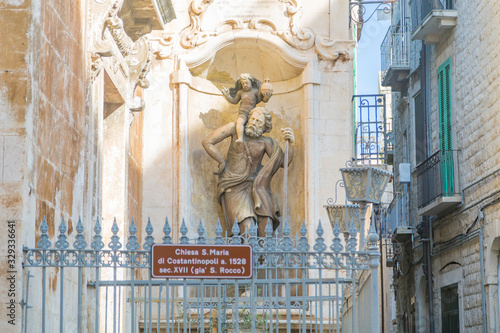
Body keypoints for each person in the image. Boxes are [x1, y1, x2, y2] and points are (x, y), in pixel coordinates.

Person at [202, 107, 294, 237]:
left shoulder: (266, 142)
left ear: (264, 128)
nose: (254, 123)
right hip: (234, 186)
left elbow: (284, 163)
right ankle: (246, 257)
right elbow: (207, 142)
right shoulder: (234, 129)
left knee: (266, 228)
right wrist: (221, 162)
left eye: (258, 122)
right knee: (247, 228)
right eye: (253, 119)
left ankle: (264, 258)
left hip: (257, 187)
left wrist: (291, 144)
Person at [221, 74, 273, 145]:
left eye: (246, 83)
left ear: (251, 82)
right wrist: (227, 95)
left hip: (252, 114)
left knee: (254, 125)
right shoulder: (240, 92)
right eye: (243, 83)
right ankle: (240, 138)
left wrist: (267, 96)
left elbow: (263, 100)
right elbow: (234, 101)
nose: (245, 85)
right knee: (239, 122)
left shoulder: (255, 91)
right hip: (243, 113)